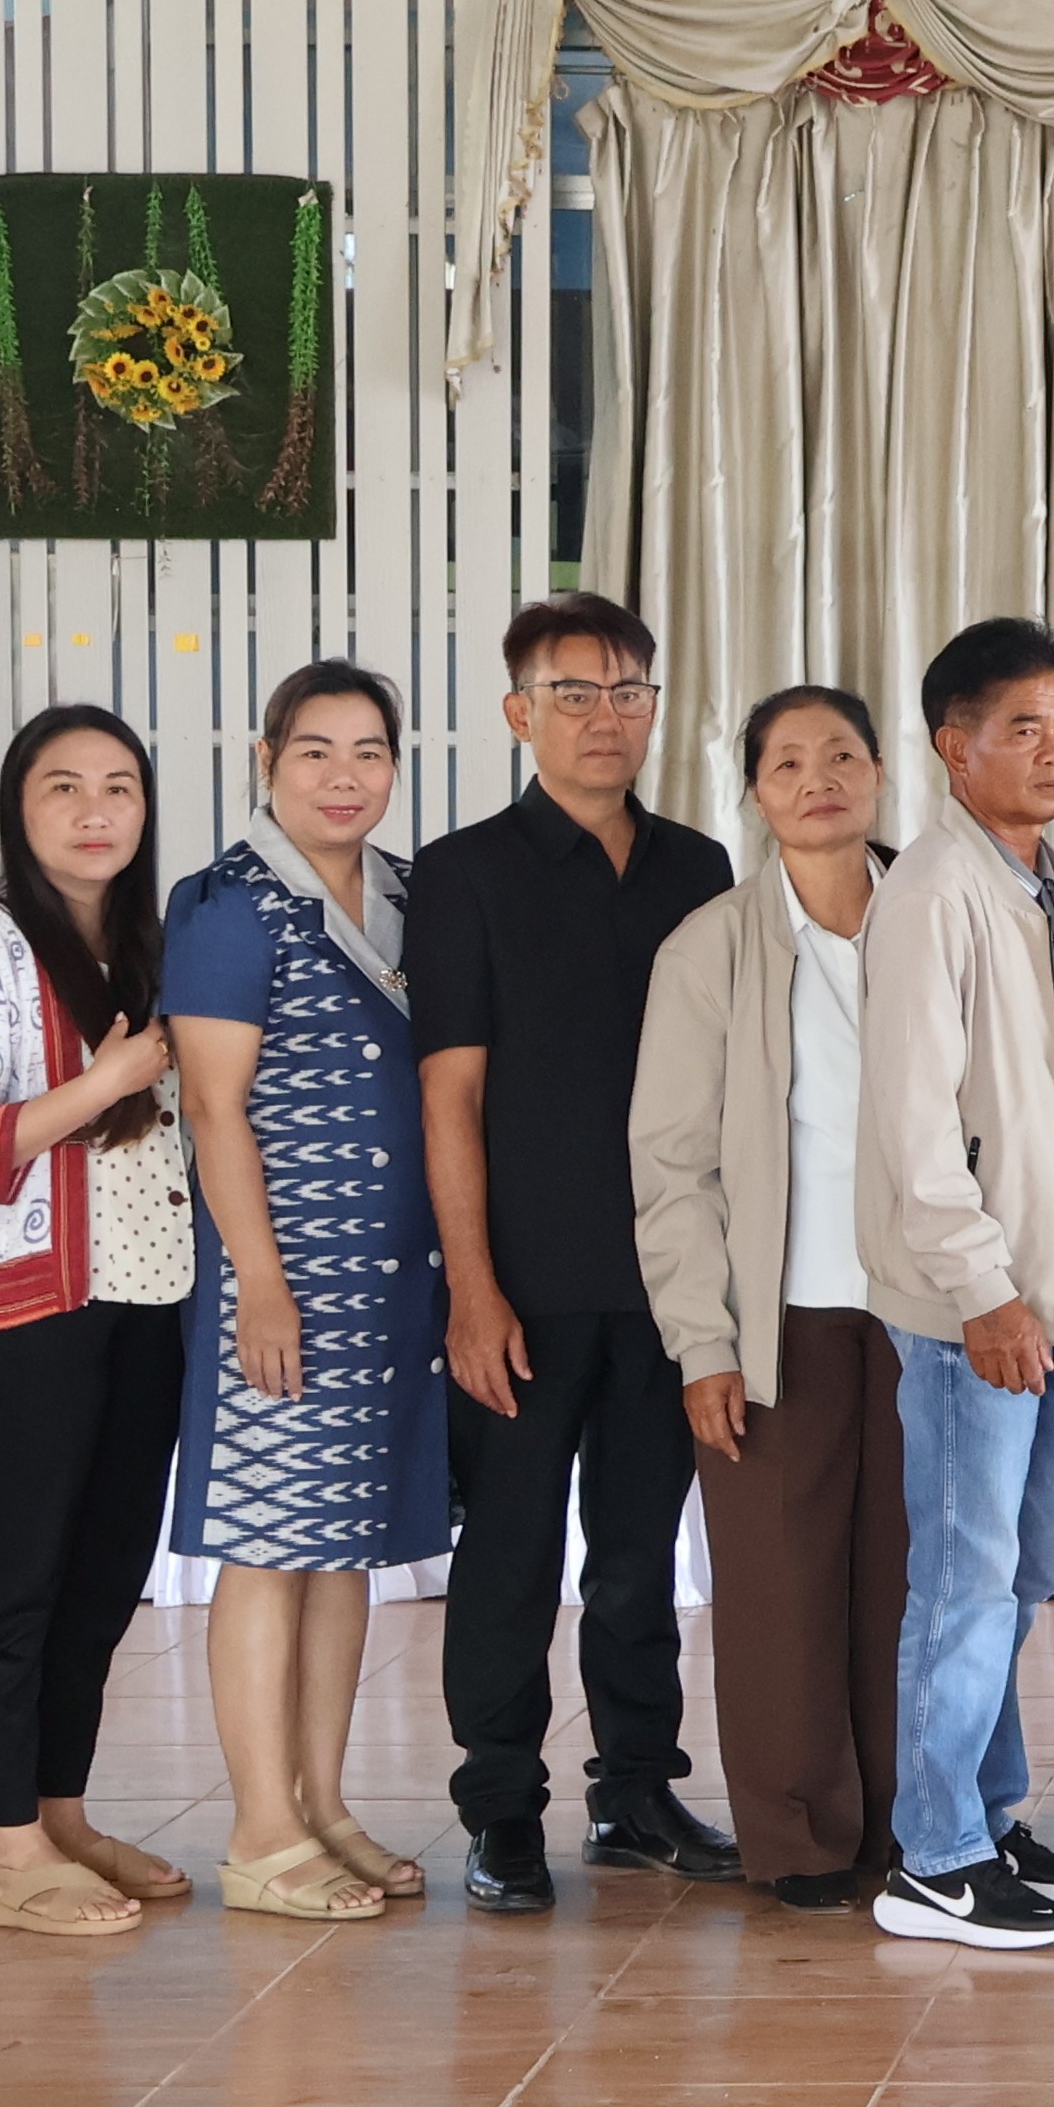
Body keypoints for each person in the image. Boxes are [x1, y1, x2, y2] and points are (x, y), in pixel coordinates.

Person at [413, 592, 742, 1910]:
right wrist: (472, 1288)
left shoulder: (700, 869)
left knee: (638, 1553)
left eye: (628, 693)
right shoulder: (464, 874)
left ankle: (637, 1791)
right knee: (509, 1552)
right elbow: (449, 1097)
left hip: (670, 1280)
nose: (606, 719)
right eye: (573, 693)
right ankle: (501, 1808)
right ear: (519, 712)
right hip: (525, 1282)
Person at [858, 617, 1054, 1950]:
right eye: (1022, 727)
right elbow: (917, 1127)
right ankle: (933, 1858)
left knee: (1016, 1577)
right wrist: (983, 1290)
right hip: (972, 1309)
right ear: (953, 749)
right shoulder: (932, 891)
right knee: (965, 1582)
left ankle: (983, 1812)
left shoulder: (1044, 881)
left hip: (1048, 1290)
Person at [164, 661, 454, 1924]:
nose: (345, 777)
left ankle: (323, 1803)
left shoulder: (411, 894)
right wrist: (261, 1288)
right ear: (267, 761)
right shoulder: (230, 906)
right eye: (316, 752)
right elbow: (213, 1107)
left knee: (345, 1554)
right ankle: (260, 1830)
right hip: (281, 1276)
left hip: (393, 1281)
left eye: (369, 752)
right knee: (270, 1544)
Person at [0, 706, 198, 1938]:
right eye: (63, 787)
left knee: (102, 1578)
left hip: (141, 1296)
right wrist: (104, 1084)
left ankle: (60, 1812)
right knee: (11, 1583)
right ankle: (6, 1852)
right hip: (15, 1306)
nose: (94, 811)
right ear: (18, 808)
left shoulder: (141, 943)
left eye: (118, 786)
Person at [635, 687, 917, 1913]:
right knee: (781, 1588)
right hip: (779, 1317)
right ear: (754, 793)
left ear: (880, 774)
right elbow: (671, 1164)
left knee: (910, 1581)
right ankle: (799, 1838)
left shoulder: (939, 916)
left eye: (842, 755)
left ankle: (916, 1822)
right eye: (788, 763)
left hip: (928, 1309)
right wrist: (702, 1341)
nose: (819, 780)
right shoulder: (710, 947)